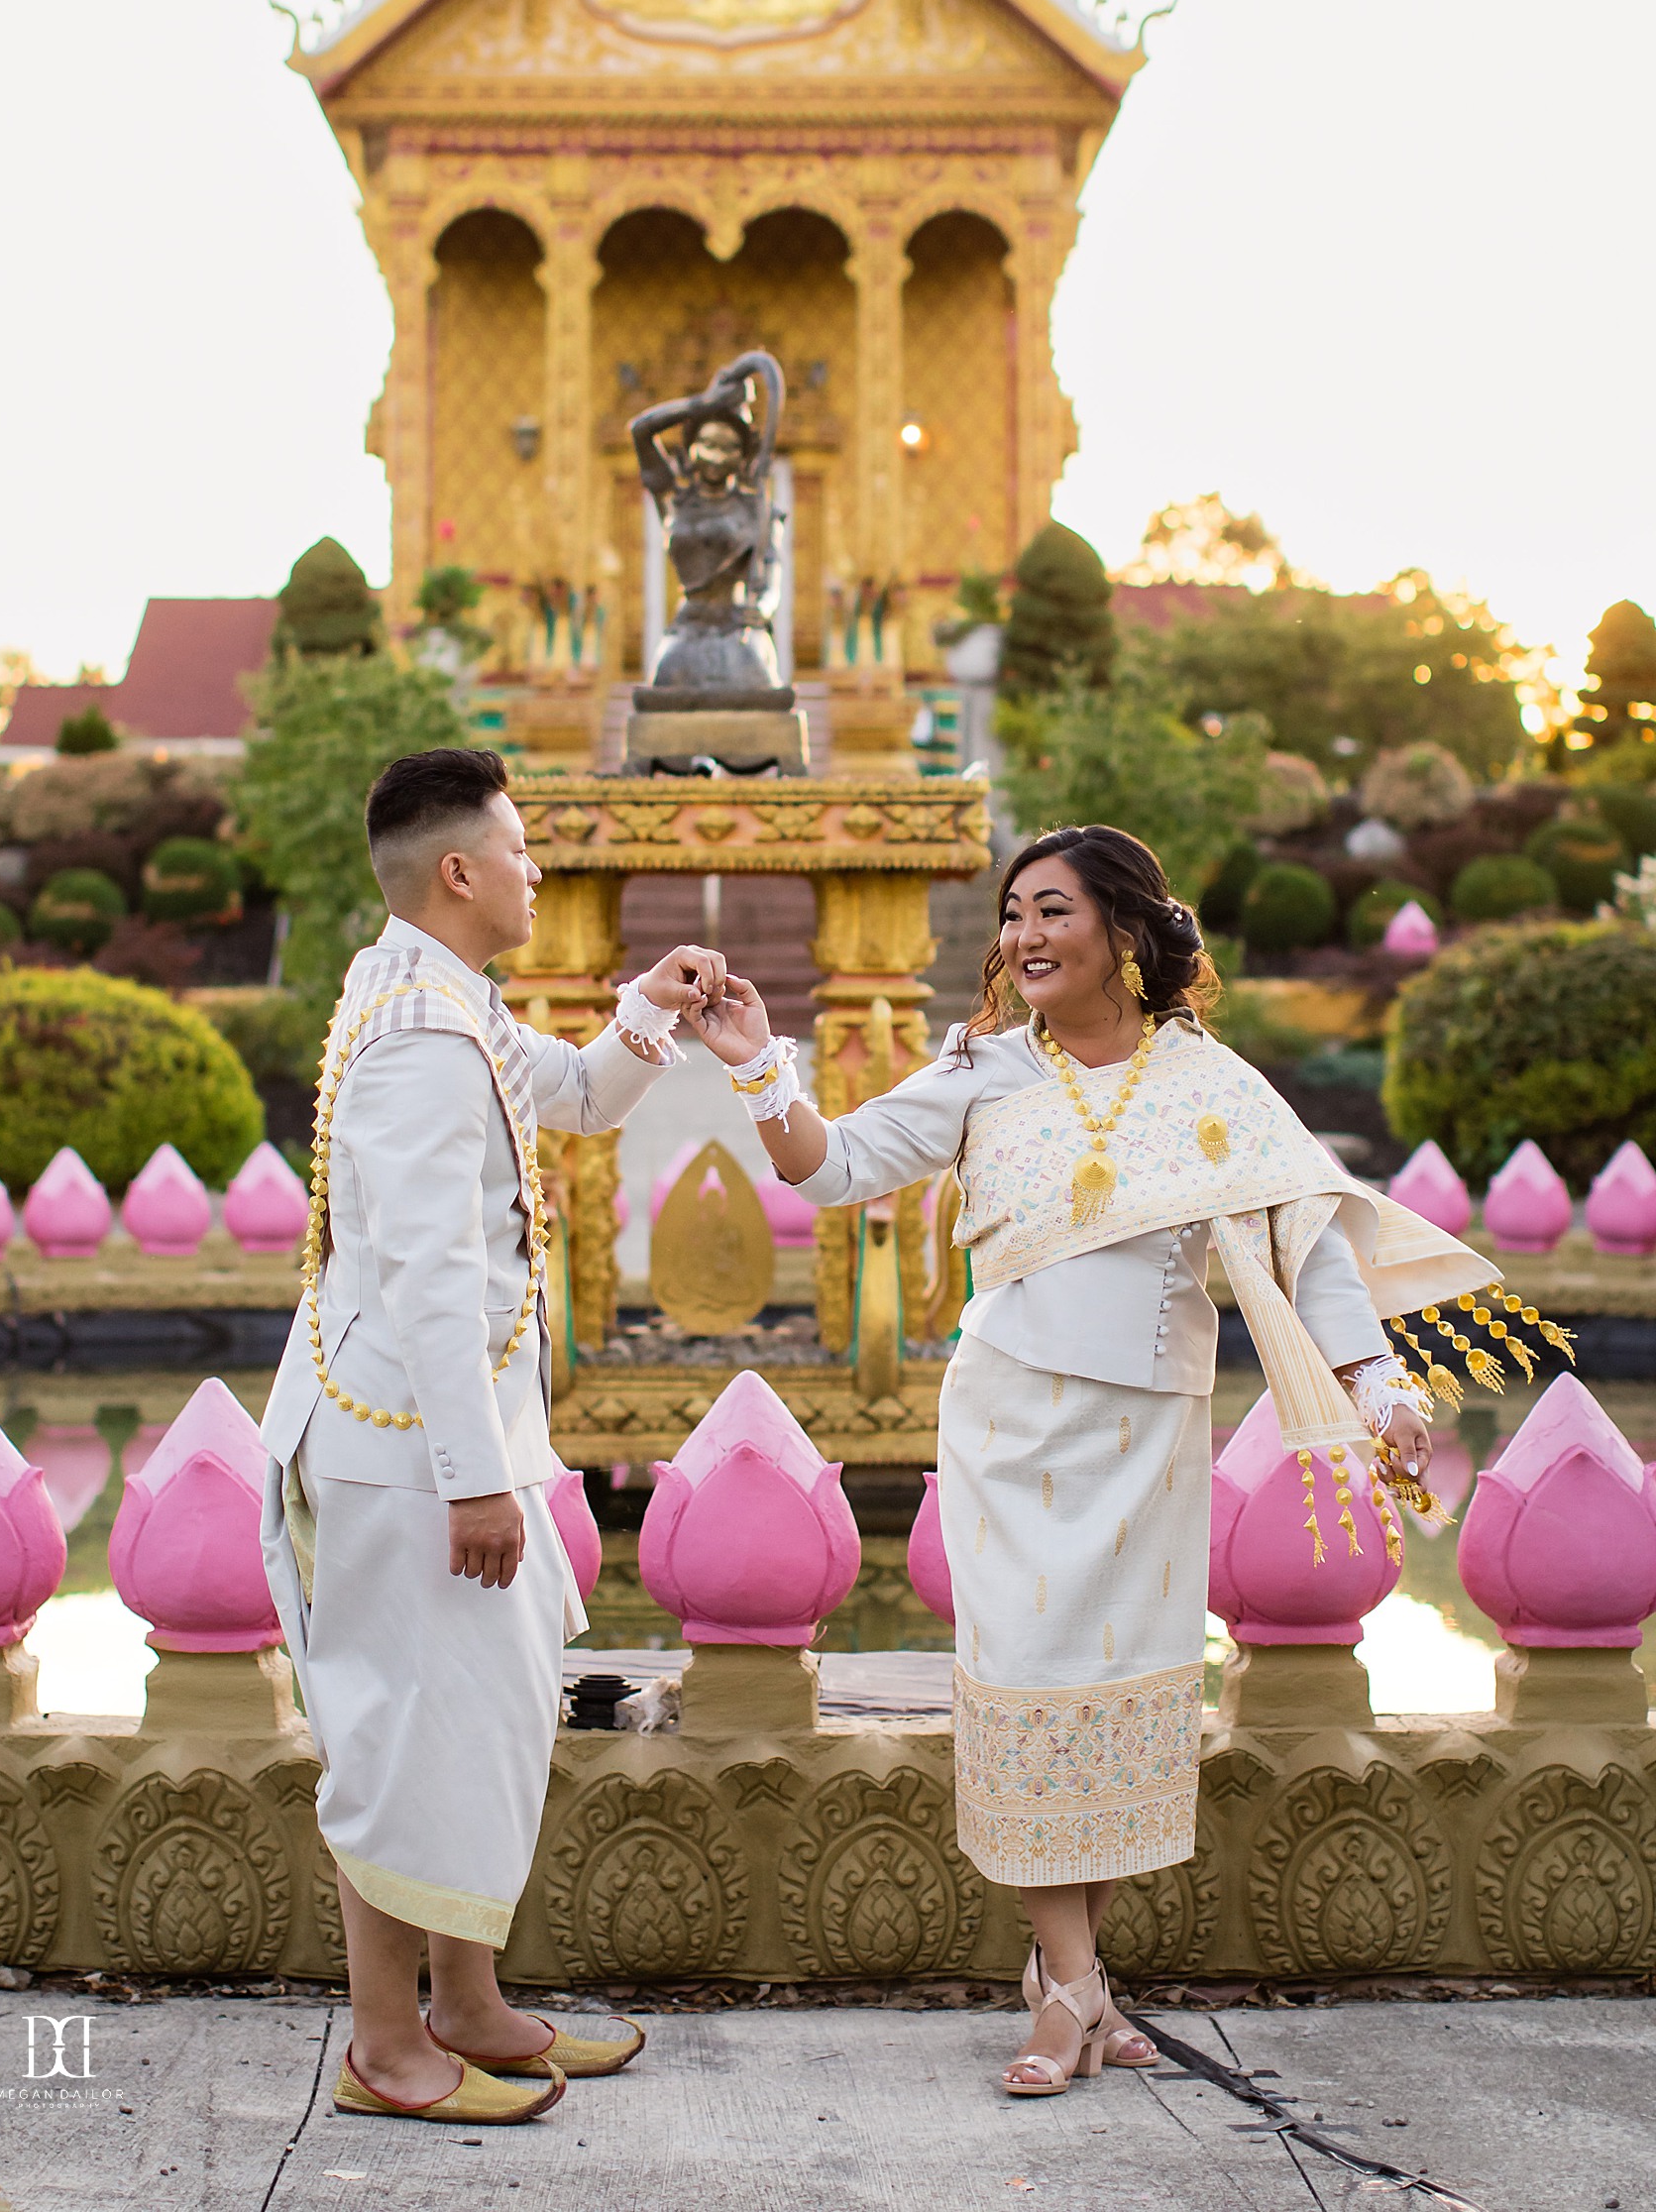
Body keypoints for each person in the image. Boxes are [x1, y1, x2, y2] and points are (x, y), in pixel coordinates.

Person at [690, 823, 1499, 2096]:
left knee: (1118, 1707)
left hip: (1149, 1434)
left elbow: (1308, 1246)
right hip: (1013, 1426)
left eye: (1051, 909)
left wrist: (1372, 1377)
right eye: (1014, 914)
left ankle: (1069, 1978)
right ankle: (1070, 1990)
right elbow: (831, 1165)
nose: (1022, 936)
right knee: (1022, 1687)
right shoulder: (980, 1072)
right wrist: (755, 1068)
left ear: (1125, 929)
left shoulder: (1212, 1086)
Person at [259, 745, 723, 2127]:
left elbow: (570, 1097)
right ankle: (385, 2050)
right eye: (520, 850)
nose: (536, 870)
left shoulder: (435, 992)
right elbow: (424, 1271)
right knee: (405, 1740)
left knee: (483, 1722)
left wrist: (654, 1007)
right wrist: (475, 1481)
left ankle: (466, 2004)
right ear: (458, 872)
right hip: (408, 1446)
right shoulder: (416, 1031)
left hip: (444, 1435)